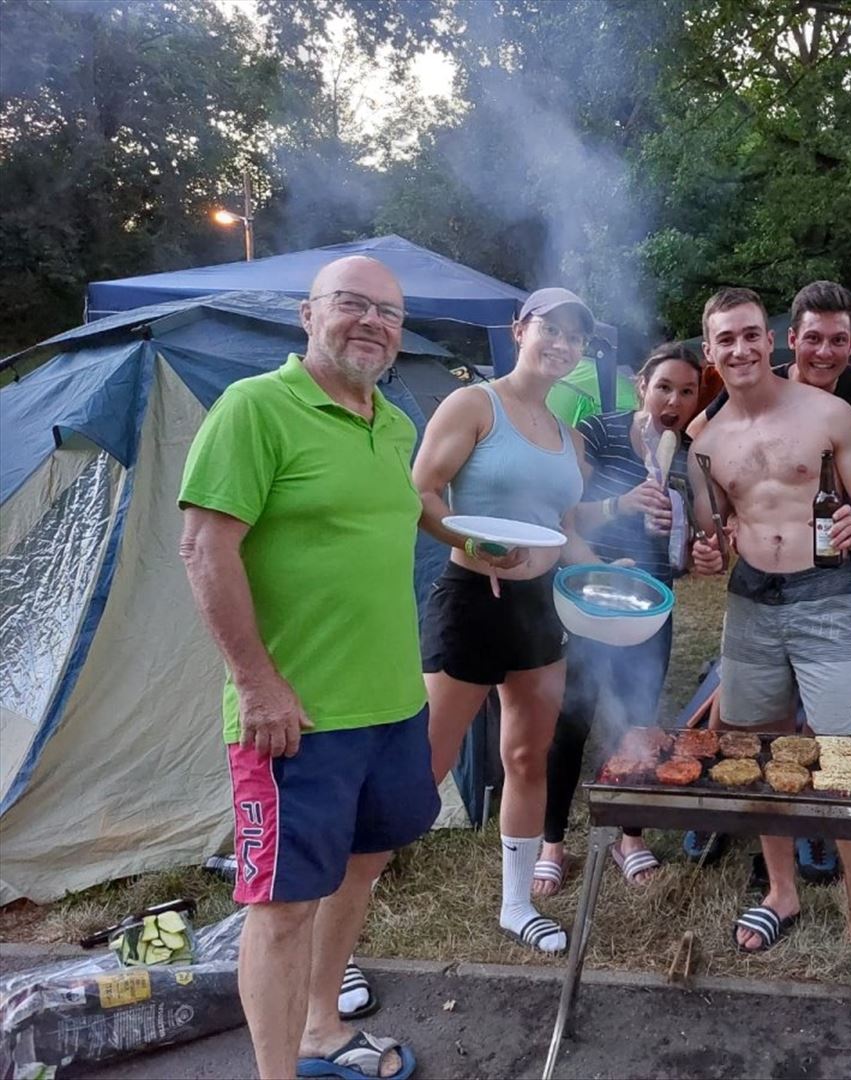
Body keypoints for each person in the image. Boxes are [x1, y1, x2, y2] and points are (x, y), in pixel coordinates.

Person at [179, 255, 433, 1080]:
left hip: (393, 705)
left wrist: (478, 545)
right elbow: (204, 547)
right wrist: (256, 683)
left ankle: (322, 1027)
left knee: (362, 868)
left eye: (389, 313)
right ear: (308, 314)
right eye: (352, 304)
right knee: (284, 906)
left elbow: (383, 524)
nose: (372, 323)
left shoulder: (393, 423)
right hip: (295, 718)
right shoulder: (255, 408)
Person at [688, 287, 851, 1006]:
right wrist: (706, 553)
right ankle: (781, 891)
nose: (741, 349)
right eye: (726, 339)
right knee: (756, 752)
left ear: (771, 338)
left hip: (826, 600)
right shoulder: (706, 442)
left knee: (850, 762)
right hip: (752, 604)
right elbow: (711, 536)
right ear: (710, 352)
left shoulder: (830, 414)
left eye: (751, 334)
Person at [412, 287, 603, 956]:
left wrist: (608, 579)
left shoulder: (568, 436)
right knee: (425, 763)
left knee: (527, 755)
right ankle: (340, 923)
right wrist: (474, 544)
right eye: (551, 328)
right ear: (520, 330)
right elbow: (421, 492)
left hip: (540, 606)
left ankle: (517, 904)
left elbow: (564, 532)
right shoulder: (474, 405)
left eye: (575, 336)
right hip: (472, 597)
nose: (563, 343)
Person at [538, 342, 705, 892]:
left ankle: (629, 836)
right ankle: (552, 841)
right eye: (664, 388)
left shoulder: (691, 454)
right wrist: (621, 506)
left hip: (651, 605)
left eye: (686, 392)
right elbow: (565, 515)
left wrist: (698, 546)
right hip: (590, 597)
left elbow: (698, 540)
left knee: (638, 720)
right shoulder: (601, 432)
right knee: (571, 721)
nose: (673, 402)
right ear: (642, 389)